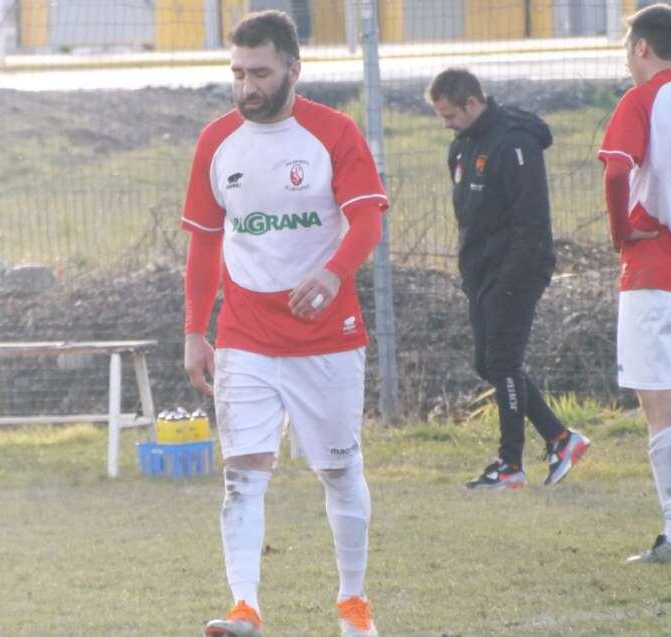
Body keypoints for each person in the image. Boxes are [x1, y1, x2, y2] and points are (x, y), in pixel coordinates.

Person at [182, 10, 387, 637]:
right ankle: (245, 608)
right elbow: (203, 243)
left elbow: (369, 219)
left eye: (260, 72)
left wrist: (332, 273)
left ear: (293, 70)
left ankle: (353, 605)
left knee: (338, 470)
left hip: (327, 337)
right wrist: (196, 328)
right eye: (238, 73)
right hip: (245, 335)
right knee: (242, 474)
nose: (247, 86)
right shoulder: (217, 141)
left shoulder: (333, 133)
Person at [428, 68, 591, 490]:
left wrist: (511, 278)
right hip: (481, 272)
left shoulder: (515, 143)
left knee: (502, 362)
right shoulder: (462, 146)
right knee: (489, 362)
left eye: (450, 116)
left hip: (516, 272)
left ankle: (510, 464)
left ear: (473, 102)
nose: (446, 125)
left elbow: (531, 222)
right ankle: (560, 437)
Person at [598, 3, 671, 563]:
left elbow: (617, 169)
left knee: (661, 402)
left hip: (657, 269)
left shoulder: (641, 99)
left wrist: (623, 233)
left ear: (641, 47)